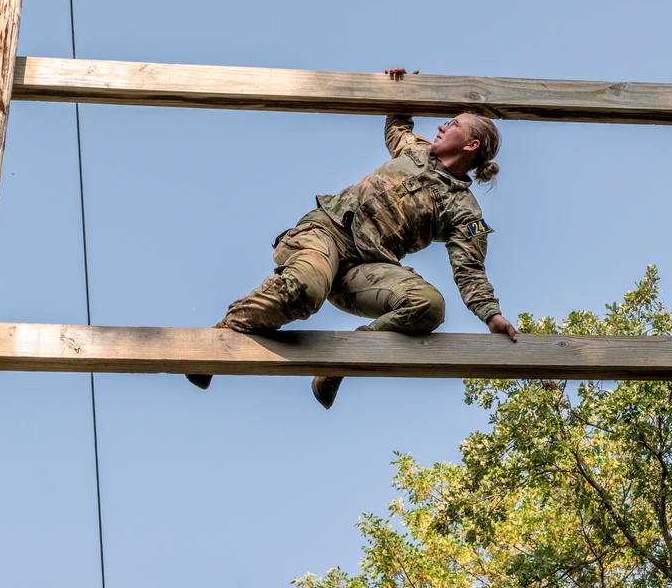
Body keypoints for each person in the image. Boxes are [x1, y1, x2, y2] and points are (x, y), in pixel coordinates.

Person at [187, 85, 518, 408]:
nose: (443, 126)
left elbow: (470, 268)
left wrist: (491, 315)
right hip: (328, 231)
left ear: (471, 144)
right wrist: (400, 88)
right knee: (305, 288)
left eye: (454, 124)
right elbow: (398, 124)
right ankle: (219, 338)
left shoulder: (467, 211)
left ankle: (339, 364)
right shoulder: (415, 150)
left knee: (429, 306)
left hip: (365, 269)